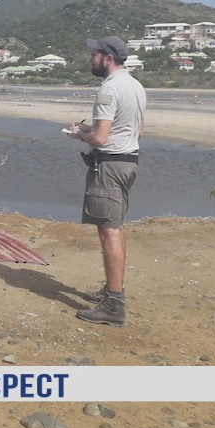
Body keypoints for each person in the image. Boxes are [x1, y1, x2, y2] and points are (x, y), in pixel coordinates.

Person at [68, 36, 146, 327]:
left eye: (95, 53)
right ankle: (113, 291)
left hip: (109, 166)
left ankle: (114, 304)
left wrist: (80, 135)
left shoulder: (109, 89)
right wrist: (92, 128)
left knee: (109, 231)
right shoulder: (135, 86)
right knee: (115, 228)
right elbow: (137, 131)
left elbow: (101, 139)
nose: (91, 57)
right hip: (128, 163)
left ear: (108, 58)